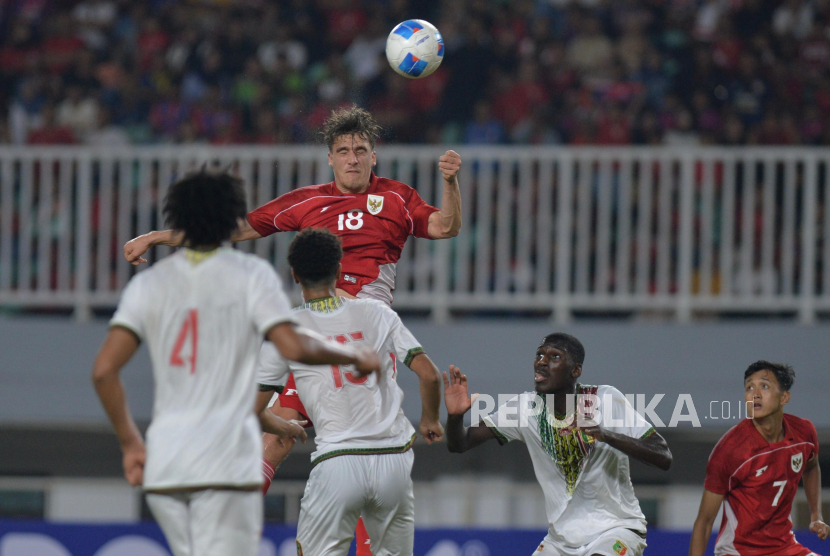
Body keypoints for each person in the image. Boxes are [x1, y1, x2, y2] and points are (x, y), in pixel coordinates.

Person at [92, 171, 380, 556]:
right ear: (230, 219)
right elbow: (293, 344)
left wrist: (130, 443)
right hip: (226, 456)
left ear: (177, 218)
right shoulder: (249, 276)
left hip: (168, 458)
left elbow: (104, 372)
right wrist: (352, 354)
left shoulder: (149, 285)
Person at [123, 105, 462, 305]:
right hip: (316, 327)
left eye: (360, 151)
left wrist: (450, 183)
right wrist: (156, 236)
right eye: (343, 152)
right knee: (276, 426)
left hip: (368, 328)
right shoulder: (306, 201)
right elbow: (231, 231)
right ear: (330, 159)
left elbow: (446, 227)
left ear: (374, 157)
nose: (353, 159)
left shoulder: (397, 197)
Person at [255, 227, 443, 556]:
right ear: (340, 271)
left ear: (295, 275)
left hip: (338, 462)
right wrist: (430, 420)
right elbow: (429, 374)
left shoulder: (284, 331)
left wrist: (281, 425)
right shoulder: (379, 313)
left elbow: (251, 410)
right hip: (394, 462)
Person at [443, 333, 673, 556]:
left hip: (616, 530)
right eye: (539, 355)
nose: (541, 362)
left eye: (554, 357)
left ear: (576, 370)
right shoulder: (524, 408)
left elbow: (663, 456)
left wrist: (606, 435)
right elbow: (460, 443)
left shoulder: (605, 399)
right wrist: (454, 416)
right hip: (561, 541)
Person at [689, 361, 829, 556]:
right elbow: (704, 522)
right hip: (738, 551)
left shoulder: (804, 433)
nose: (754, 394)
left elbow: (812, 467)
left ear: (784, 397)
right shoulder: (730, 450)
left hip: (784, 548)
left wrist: (816, 515)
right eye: (749, 387)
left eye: (764, 386)